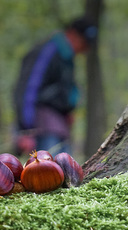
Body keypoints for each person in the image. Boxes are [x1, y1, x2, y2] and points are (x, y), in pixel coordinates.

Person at [13, 16, 97, 157]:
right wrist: (25, 130)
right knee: (47, 170)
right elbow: (28, 89)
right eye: (83, 43)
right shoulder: (48, 51)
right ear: (71, 33)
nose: (84, 49)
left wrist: (67, 111)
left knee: (63, 169)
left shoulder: (66, 57)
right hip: (42, 125)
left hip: (58, 125)